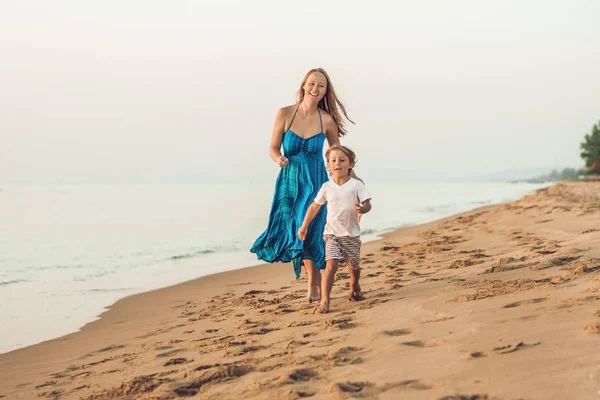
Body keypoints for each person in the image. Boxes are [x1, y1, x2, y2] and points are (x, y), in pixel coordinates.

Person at [250, 68, 355, 303]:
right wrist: (278, 158)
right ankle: (314, 283)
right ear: (303, 85)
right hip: (290, 181)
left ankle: (313, 285)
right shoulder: (285, 113)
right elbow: (273, 147)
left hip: (316, 180)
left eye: (321, 86)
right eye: (312, 84)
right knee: (297, 229)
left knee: (310, 229)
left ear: (326, 91)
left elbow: (337, 153)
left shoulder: (326, 120)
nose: (315, 89)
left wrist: (349, 181)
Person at [298, 145, 372, 314]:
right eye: (333, 160)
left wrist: (363, 209)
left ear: (350, 164)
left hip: (351, 234)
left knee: (353, 267)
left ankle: (355, 284)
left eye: (342, 160)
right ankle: (325, 300)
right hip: (331, 234)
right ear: (328, 166)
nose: (337, 163)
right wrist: (304, 226)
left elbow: (367, 203)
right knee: (331, 265)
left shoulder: (356, 185)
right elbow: (315, 207)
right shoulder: (326, 187)